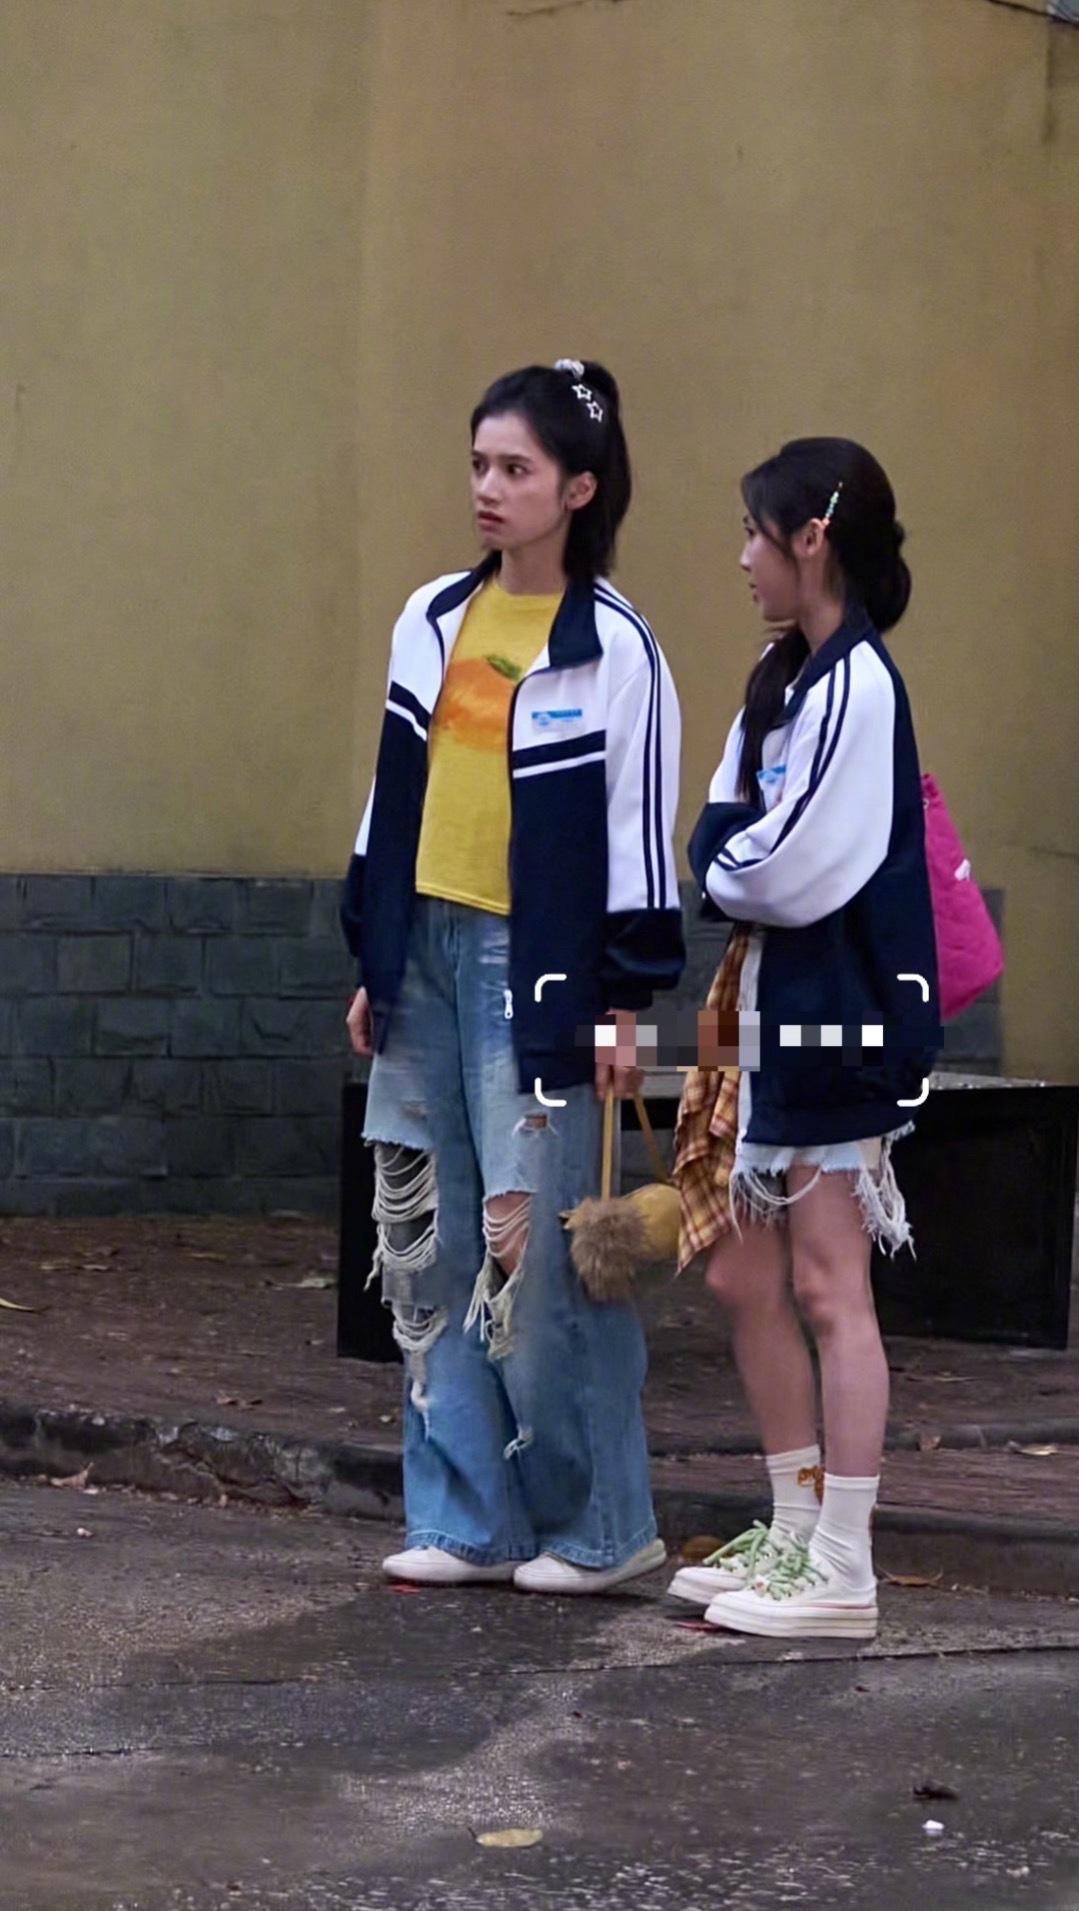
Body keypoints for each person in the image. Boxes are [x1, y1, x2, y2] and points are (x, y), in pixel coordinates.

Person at [341, 360, 683, 1594]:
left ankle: (601, 1527)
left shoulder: (616, 649)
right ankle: (465, 1519)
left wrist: (622, 1002)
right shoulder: (431, 618)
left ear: (577, 490)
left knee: (532, 1251)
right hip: (422, 959)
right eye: (479, 464)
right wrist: (374, 956)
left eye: (515, 469)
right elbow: (391, 798)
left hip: (534, 974)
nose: (486, 488)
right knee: (425, 1242)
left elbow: (638, 840)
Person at [668, 437, 940, 1640]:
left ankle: (841, 1564)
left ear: (811, 538)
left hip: (832, 1016)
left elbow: (778, 865)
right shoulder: (784, 680)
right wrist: (728, 855)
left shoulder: (858, 686)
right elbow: (726, 831)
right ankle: (792, 1525)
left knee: (831, 1284)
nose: (742, 558)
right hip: (756, 1009)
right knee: (739, 1271)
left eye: (754, 532)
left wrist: (723, 858)